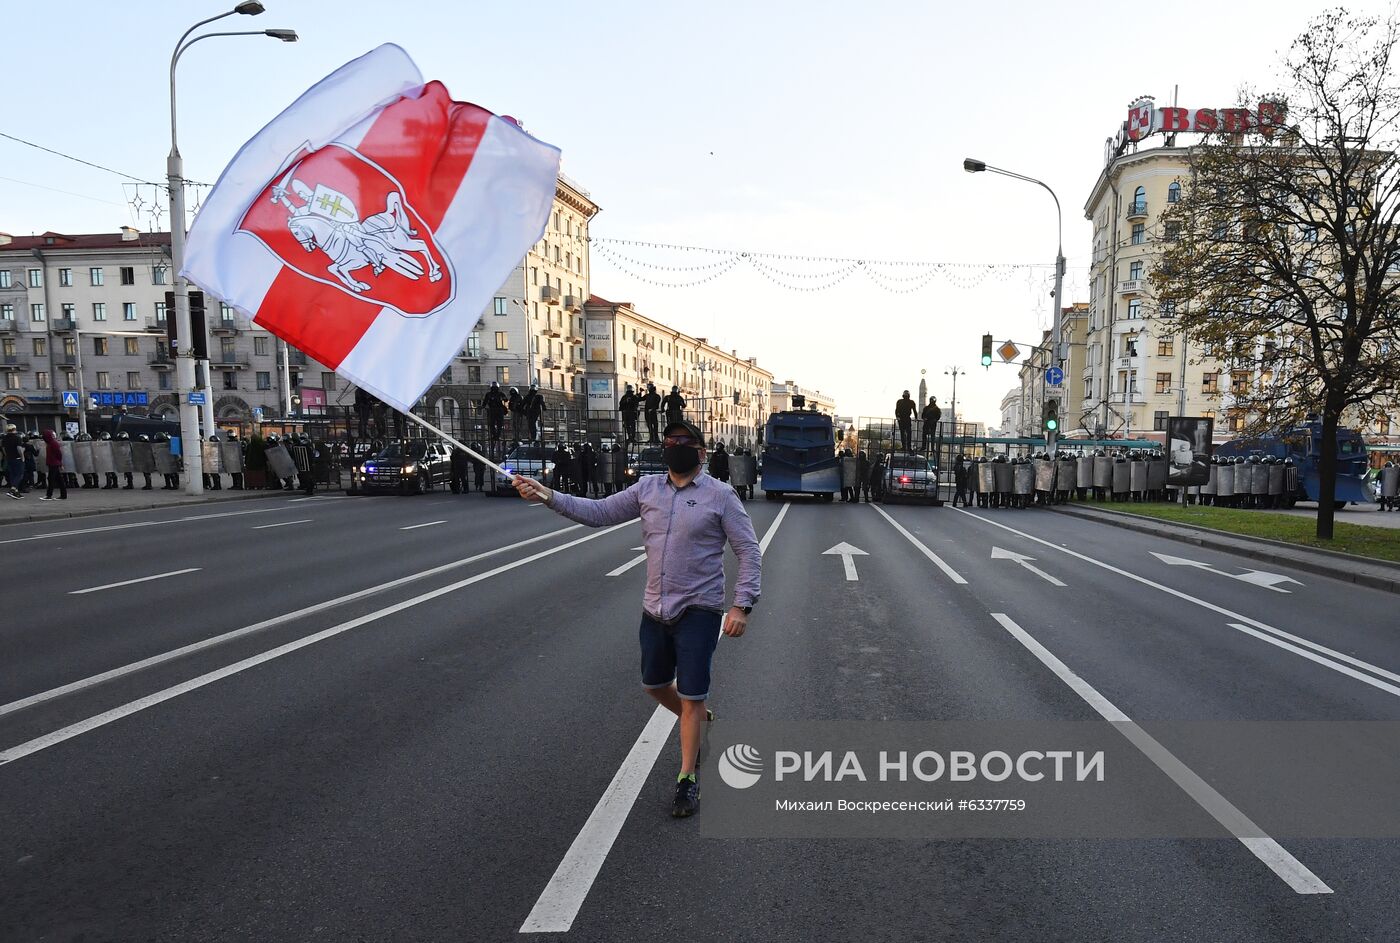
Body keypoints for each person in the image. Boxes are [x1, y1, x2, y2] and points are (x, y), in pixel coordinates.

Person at [512, 419, 760, 819]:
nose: (674, 446)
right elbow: (598, 513)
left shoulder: (721, 496)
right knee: (654, 685)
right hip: (655, 608)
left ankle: (686, 780)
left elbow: (749, 551)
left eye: (683, 441)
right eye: (668, 441)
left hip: (699, 608)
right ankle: (698, 721)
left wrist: (741, 605)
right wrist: (547, 496)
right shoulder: (647, 490)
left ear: (700, 451)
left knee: (693, 695)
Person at [39, 428, 67, 501]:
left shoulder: (53, 443)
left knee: (51, 479)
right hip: (54, 463)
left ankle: (49, 495)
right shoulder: (51, 443)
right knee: (59, 480)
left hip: (53, 463)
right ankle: (63, 495)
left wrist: (60, 463)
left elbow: (59, 454)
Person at [3, 424, 25, 499]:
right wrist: (22, 457)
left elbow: (3, 448)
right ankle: (12, 489)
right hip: (17, 458)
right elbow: (19, 448)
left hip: (9, 458)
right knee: (19, 474)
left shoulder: (4, 438)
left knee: (13, 475)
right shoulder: (17, 438)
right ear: (14, 429)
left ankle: (16, 492)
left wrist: (7, 455)